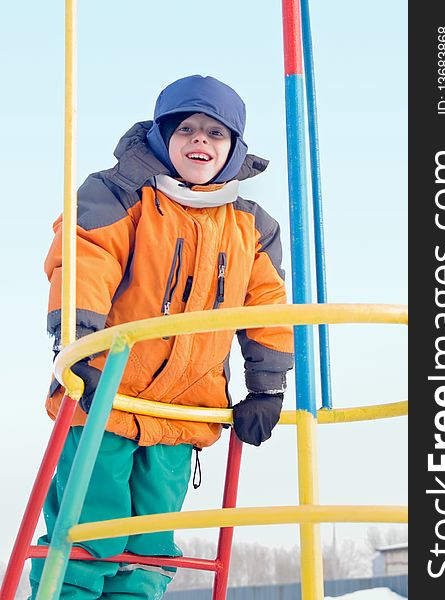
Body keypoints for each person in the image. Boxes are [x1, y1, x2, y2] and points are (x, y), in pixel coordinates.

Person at [29, 74, 294, 599]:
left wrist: (267, 387)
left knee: (151, 542)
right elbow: (86, 261)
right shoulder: (118, 193)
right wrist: (79, 344)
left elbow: (265, 304)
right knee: (89, 530)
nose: (200, 141)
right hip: (108, 394)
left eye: (216, 134)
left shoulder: (250, 225)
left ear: (234, 148)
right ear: (161, 136)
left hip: (183, 411)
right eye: (187, 129)